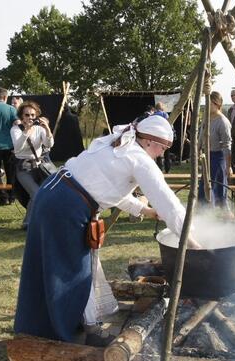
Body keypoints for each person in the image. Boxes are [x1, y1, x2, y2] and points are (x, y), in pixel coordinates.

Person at [14, 115, 198, 342]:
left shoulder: (116, 144)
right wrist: (193, 242)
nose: (163, 153)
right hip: (64, 206)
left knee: (54, 264)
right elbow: (169, 204)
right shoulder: (137, 157)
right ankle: (71, 332)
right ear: (149, 141)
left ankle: (52, 325)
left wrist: (146, 211)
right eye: (163, 147)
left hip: (53, 194)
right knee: (72, 271)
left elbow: (106, 188)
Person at [11, 101, 53, 229]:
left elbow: (49, 144)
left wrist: (47, 129)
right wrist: (26, 132)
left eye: (32, 115)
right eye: (27, 115)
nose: (30, 118)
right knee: (36, 193)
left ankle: (29, 222)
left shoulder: (40, 129)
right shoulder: (15, 129)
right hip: (23, 167)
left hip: (39, 166)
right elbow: (18, 148)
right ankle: (28, 223)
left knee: (42, 194)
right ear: (21, 116)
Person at [198, 91, 232, 209]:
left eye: (210, 104)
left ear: (217, 104)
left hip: (219, 158)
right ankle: (204, 214)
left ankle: (225, 214)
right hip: (207, 157)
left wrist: (228, 166)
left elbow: (227, 145)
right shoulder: (205, 119)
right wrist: (198, 149)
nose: (208, 106)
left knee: (218, 186)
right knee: (204, 185)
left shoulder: (223, 122)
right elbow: (201, 136)